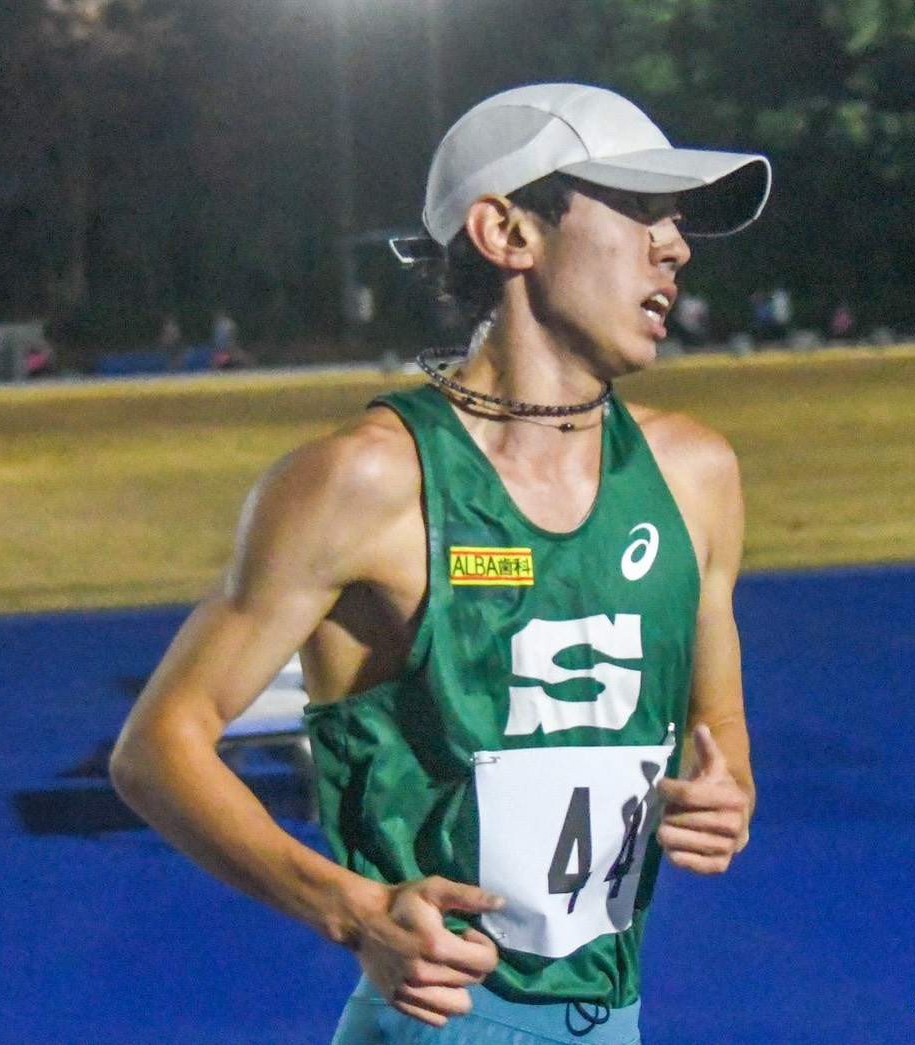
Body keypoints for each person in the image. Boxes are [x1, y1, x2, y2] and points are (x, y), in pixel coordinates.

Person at [110, 82, 770, 1044]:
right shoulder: (364, 481)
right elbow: (156, 745)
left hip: (613, 1017)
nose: (674, 245)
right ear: (507, 232)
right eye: (638, 209)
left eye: (673, 220)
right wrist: (351, 909)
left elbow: (718, 733)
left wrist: (723, 793)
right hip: (443, 1023)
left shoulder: (695, 474)